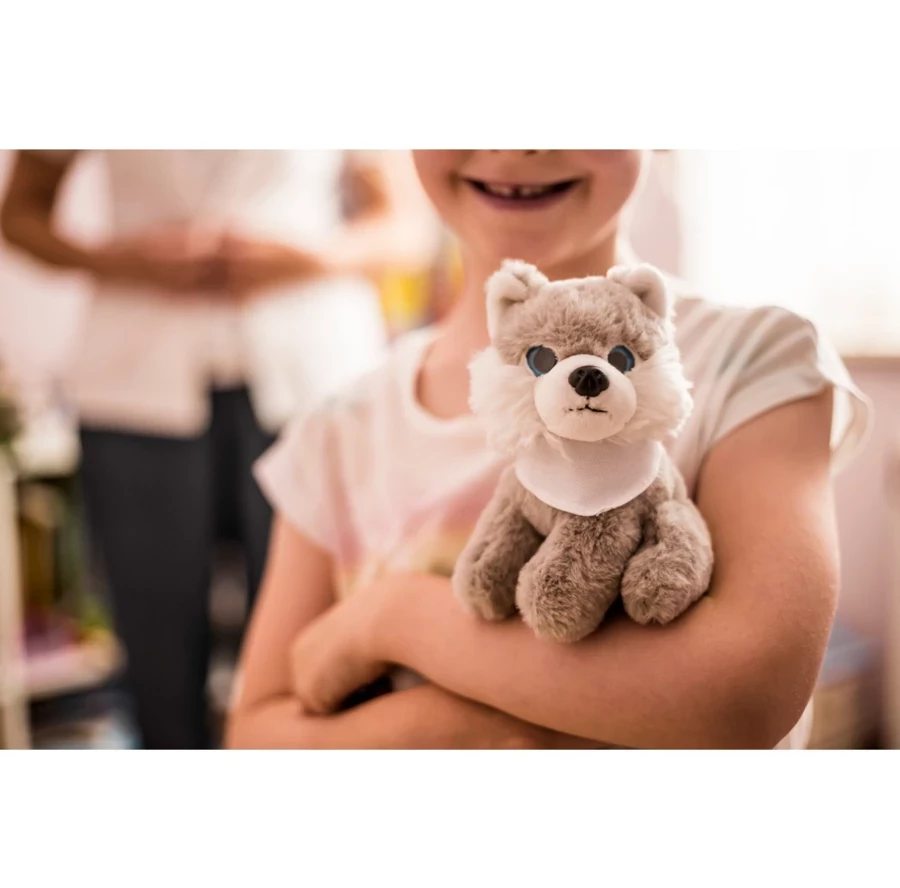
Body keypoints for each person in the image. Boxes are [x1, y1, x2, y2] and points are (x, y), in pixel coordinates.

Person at [226, 150, 872, 750]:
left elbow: (743, 697)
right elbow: (255, 734)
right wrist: (458, 729)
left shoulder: (756, 358)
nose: (518, 145)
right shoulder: (337, 427)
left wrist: (392, 618)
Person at [1, 149, 435, 749]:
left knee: (316, 642)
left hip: (310, 381)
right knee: (153, 642)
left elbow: (406, 227)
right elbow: (20, 212)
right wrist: (118, 261)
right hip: (134, 384)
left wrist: (308, 260)